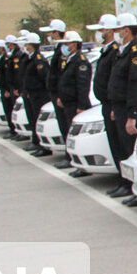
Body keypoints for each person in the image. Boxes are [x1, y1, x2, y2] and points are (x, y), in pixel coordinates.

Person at [104, 14, 137, 199]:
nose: (114, 34)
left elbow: (136, 87)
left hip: (132, 109)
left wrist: (132, 115)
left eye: (116, 30)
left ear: (127, 30)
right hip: (121, 108)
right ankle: (127, 185)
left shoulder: (136, 53)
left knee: (133, 152)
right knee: (123, 150)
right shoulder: (122, 52)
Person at [80, 13, 121, 178]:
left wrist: (112, 103)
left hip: (113, 104)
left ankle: (126, 182)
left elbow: (114, 80)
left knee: (120, 145)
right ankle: (122, 181)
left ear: (110, 31)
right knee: (114, 144)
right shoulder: (106, 51)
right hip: (106, 104)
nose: (99, 33)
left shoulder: (114, 52)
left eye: (101, 30)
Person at [54, 30, 92, 170]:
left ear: (74, 45)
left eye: (67, 43)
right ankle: (72, 159)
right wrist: (61, 97)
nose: (65, 46)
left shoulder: (80, 61)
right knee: (70, 134)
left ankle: (79, 164)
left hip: (76, 104)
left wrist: (81, 106)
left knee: (77, 136)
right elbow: (64, 82)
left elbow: (83, 86)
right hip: (68, 103)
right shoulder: (69, 60)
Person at [20, 33, 52, 156]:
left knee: (38, 119)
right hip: (31, 93)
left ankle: (43, 146)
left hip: (39, 94)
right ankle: (37, 142)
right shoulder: (30, 58)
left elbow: (44, 77)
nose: (25, 46)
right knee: (33, 118)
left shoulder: (38, 59)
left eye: (27, 44)